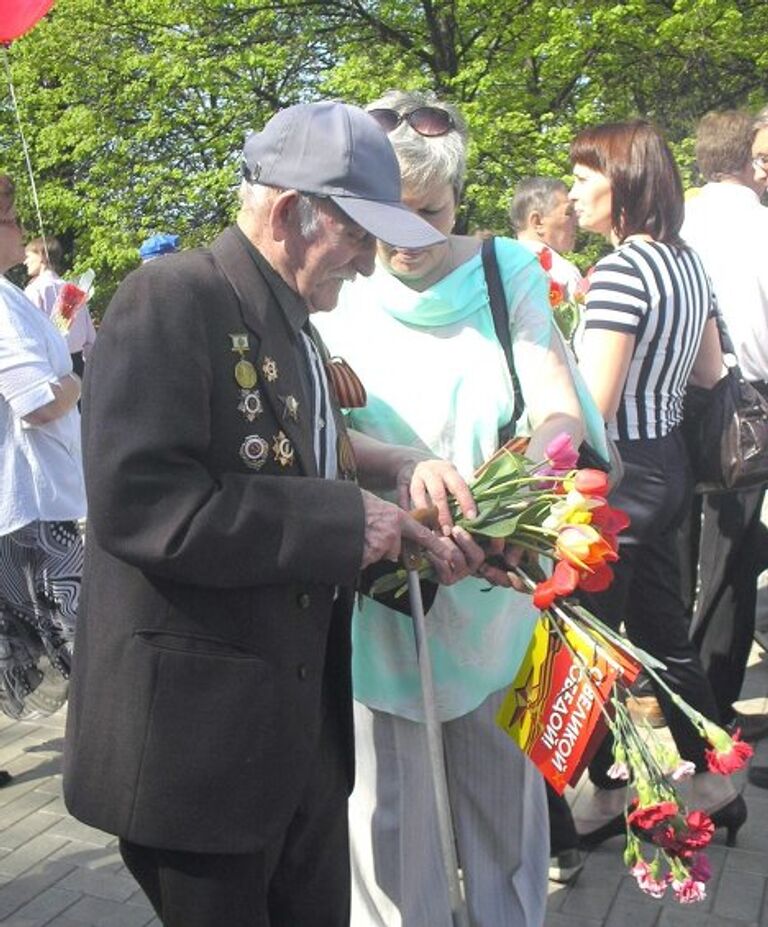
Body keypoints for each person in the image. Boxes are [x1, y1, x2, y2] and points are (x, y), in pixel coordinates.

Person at [62, 101, 476, 927]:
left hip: (295, 743)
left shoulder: (294, 321)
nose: (365, 265)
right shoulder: (171, 296)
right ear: (292, 213)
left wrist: (404, 502)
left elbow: (305, 463)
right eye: (357, 236)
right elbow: (143, 504)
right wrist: (344, 524)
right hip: (200, 755)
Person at [314, 90, 608, 926]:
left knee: (505, 838)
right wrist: (398, 478)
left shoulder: (505, 270)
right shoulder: (340, 278)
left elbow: (559, 407)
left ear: (460, 197)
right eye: (387, 217)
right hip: (381, 593)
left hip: (493, 588)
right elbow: (318, 427)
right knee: (390, 842)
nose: (407, 240)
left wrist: (516, 495)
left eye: (430, 214)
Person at [567, 120, 746, 847]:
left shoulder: (620, 271)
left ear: (625, 185)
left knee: (594, 637)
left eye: (585, 177)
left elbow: (595, 406)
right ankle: (713, 778)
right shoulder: (687, 263)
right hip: (669, 464)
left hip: (620, 476)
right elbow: (709, 371)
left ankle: (606, 789)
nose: (574, 192)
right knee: (664, 630)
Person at [680, 110, 768, 743]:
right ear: (748, 158)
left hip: (677, 400)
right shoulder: (761, 226)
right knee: (733, 554)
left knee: (681, 544)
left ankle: (672, 681)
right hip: (750, 403)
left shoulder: (677, 223)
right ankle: (715, 698)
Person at [0, 176, 86, 737]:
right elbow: (37, 403)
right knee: (73, 633)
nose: (23, 228)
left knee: (39, 635)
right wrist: (75, 382)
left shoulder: (9, 294)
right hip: (34, 502)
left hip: (37, 495)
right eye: (10, 220)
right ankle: (103, 744)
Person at [24, 235, 97, 379]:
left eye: (28, 256)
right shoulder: (75, 291)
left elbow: (29, 335)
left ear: (42, 256)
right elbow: (90, 338)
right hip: (79, 368)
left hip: (50, 368)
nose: (25, 261)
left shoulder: (35, 290)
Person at [509, 176, 583, 299]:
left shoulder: (494, 268)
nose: (577, 222)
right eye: (568, 213)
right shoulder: (561, 272)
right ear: (537, 222)